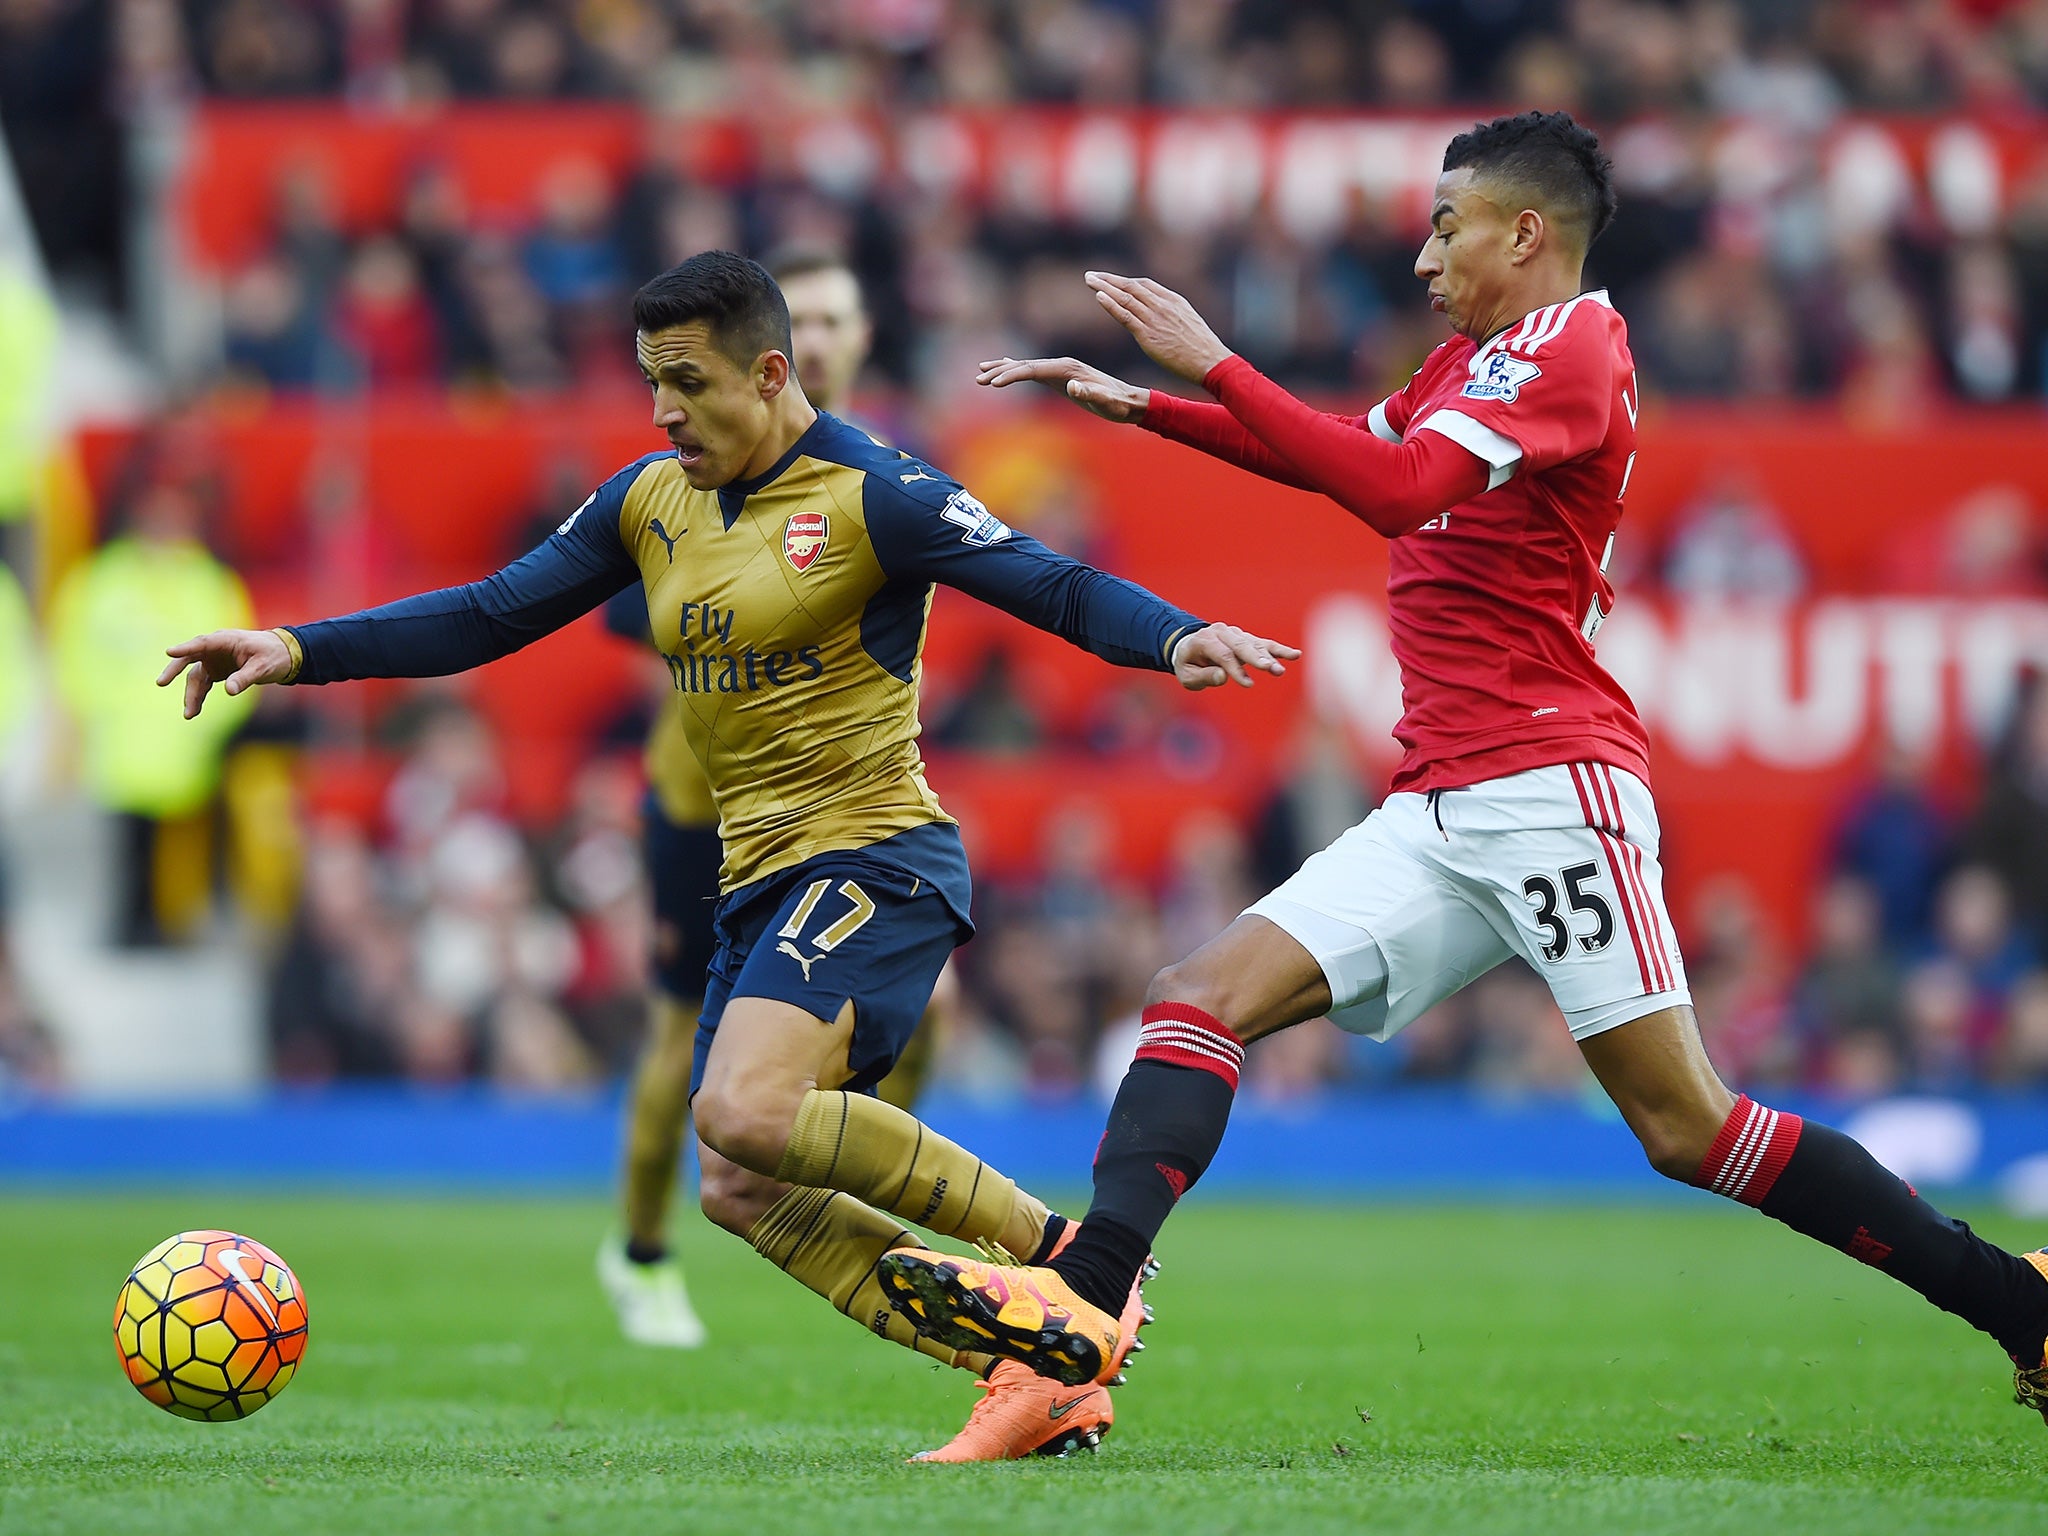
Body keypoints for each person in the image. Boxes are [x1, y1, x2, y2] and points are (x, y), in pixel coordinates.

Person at [874, 111, 2048, 1426]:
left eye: (1446, 227)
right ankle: (1082, 1311)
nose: (1425, 259)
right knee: (1197, 996)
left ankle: (2022, 1307)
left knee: (1688, 1129)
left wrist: (1214, 358)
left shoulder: (1575, 346)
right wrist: (1146, 404)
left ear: (1524, 233)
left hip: (1552, 788)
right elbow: (1345, 452)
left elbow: (1396, 490)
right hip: (1442, 798)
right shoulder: (1475, 362)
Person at [159, 251, 1296, 1461]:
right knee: (738, 1187)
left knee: (744, 1110)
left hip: (876, 857)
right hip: (751, 881)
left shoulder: (877, 493)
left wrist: (1173, 636)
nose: (663, 410)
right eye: (653, 381)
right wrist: (297, 645)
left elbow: (1046, 580)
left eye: (688, 382)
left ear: (767, 372)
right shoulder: (647, 501)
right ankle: (1030, 1367)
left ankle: (1070, 1264)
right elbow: (491, 613)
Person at [595, 245, 953, 1350]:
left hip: (842, 815)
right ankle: (641, 1254)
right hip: (701, 811)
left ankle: (875, 1181)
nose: (828, 336)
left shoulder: (883, 480)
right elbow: (601, 607)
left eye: (842, 318)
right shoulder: (682, 482)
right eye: (811, 317)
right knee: (677, 1056)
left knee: (925, 1011)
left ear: (856, 343)